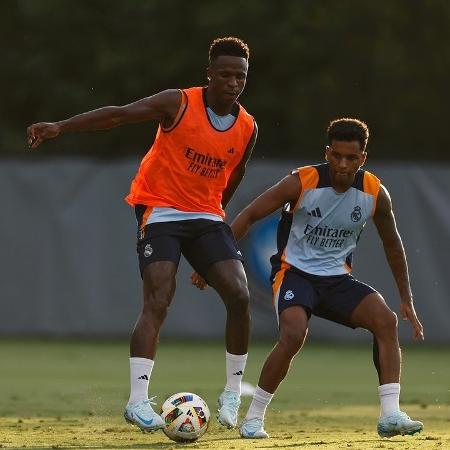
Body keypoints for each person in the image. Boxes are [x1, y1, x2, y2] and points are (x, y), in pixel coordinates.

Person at [27, 37, 257, 432]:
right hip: (161, 209)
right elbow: (118, 114)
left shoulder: (249, 127)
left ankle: (233, 391)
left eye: (240, 76)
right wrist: (59, 127)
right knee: (159, 297)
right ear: (209, 74)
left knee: (239, 293)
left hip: (206, 216)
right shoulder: (178, 103)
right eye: (225, 74)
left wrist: (216, 230)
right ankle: (137, 402)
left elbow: (229, 181)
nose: (233, 82)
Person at [195, 118, 424, 439]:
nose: (343, 165)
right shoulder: (302, 182)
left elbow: (392, 242)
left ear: (363, 159)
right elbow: (249, 215)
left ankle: (390, 415)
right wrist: (212, 263)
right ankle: (254, 418)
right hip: (294, 275)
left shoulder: (374, 192)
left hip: (336, 280)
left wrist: (406, 297)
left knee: (385, 320)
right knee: (293, 335)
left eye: (351, 158)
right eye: (337, 156)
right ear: (327, 153)